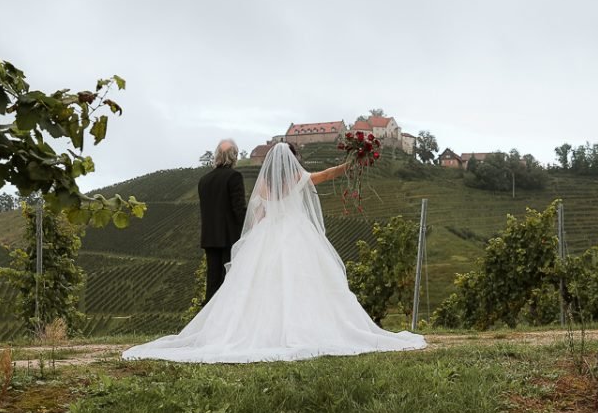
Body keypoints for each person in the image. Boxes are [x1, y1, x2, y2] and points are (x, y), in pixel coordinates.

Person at [123, 142, 426, 363]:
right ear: (293, 162)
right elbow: (328, 174)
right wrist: (350, 163)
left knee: (258, 286)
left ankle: (260, 332)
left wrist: (253, 240)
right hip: (297, 233)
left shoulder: (265, 185)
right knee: (307, 282)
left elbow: (258, 216)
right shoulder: (299, 178)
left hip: (268, 235)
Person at [198, 139, 247, 304]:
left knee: (212, 284)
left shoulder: (203, 181)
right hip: (229, 239)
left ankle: (207, 323)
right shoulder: (234, 177)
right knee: (230, 283)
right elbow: (239, 210)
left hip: (210, 238)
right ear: (234, 156)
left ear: (217, 156)